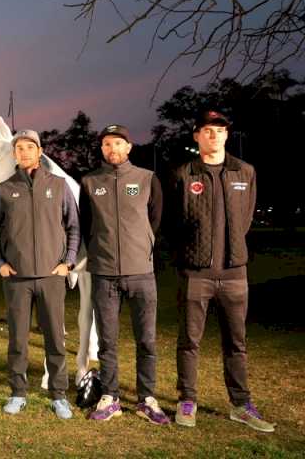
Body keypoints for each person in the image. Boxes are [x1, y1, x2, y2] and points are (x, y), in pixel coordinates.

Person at [168, 110, 274, 432]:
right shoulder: (182, 173)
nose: (214, 136)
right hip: (196, 274)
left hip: (234, 274)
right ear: (196, 136)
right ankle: (187, 400)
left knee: (236, 342)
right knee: (189, 341)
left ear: (228, 135)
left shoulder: (245, 171)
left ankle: (241, 405)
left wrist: (232, 252)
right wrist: (188, 255)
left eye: (219, 130)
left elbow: (246, 218)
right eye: (207, 130)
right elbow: (172, 223)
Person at [0, 129, 80, 419]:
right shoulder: (4, 189)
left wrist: (69, 262)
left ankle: (59, 395)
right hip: (17, 278)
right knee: (18, 340)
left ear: (40, 151)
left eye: (30, 147)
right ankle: (18, 392)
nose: (24, 152)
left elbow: (74, 227)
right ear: (14, 154)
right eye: (19, 148)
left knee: (55, 339)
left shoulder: (59, 185)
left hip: (52, 276)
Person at [79, 124, 169, 424]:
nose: (112, 149)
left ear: (129, 147)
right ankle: (111, 396)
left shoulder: (147, 179)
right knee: (107, 341)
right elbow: (87, 224)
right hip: (104, 274)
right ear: (102, 149)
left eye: (118, 143)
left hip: (141, 273)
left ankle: (147, 398)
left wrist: (138, 247)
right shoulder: (90, 182)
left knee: (147, 340)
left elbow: (154, 220)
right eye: (106, 144)